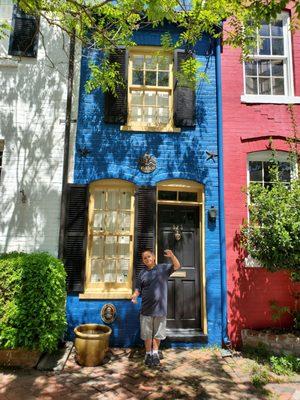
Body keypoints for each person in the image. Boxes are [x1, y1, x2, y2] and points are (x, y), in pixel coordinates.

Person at [131, 248, 181, 367]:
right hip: (146, 308)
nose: (147, 259)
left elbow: (177, 266)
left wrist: (172, 256)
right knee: (147, 334)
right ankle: (148, 353)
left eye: (149, 256)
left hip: (160, 308)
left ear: (153, 257)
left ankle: (155, 353)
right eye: (144, 258)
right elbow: (138, 288)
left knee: (158, 333)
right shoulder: (142, 273)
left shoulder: (163, 269)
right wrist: (134, 296)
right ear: (143, 261)